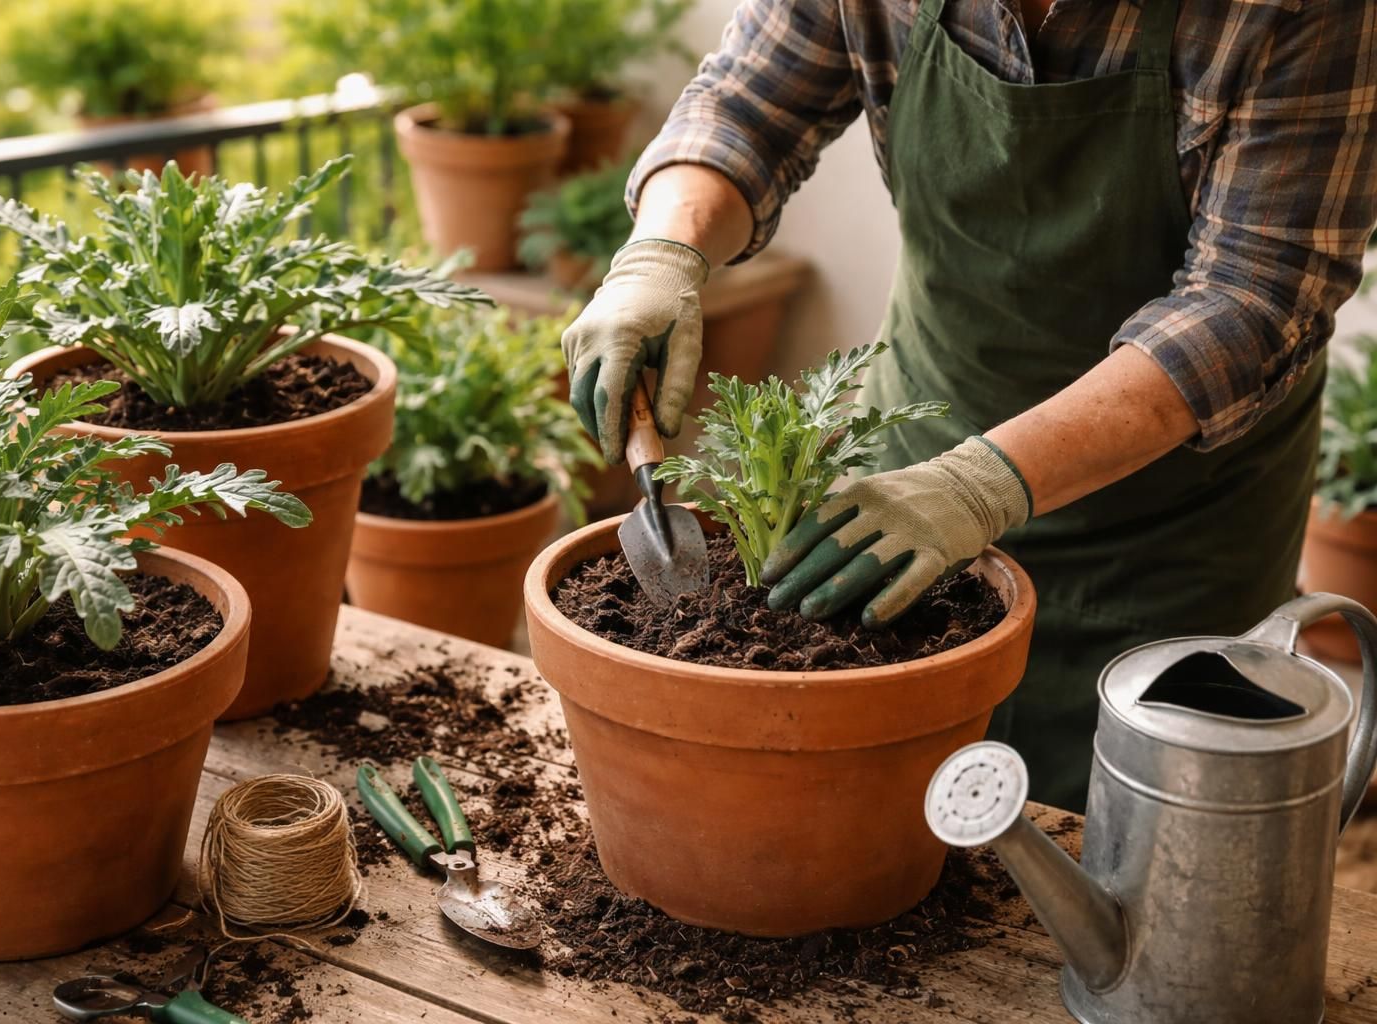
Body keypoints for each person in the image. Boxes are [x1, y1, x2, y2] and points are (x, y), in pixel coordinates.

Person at [561, 0, 1377, 809]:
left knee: (1124, 836)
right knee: (881, 808)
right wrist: (661, 253)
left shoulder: (1300, 13)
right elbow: (747, 103)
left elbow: (1251, 298)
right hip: (918, 449)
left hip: (1166, 529)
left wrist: (979, 486)